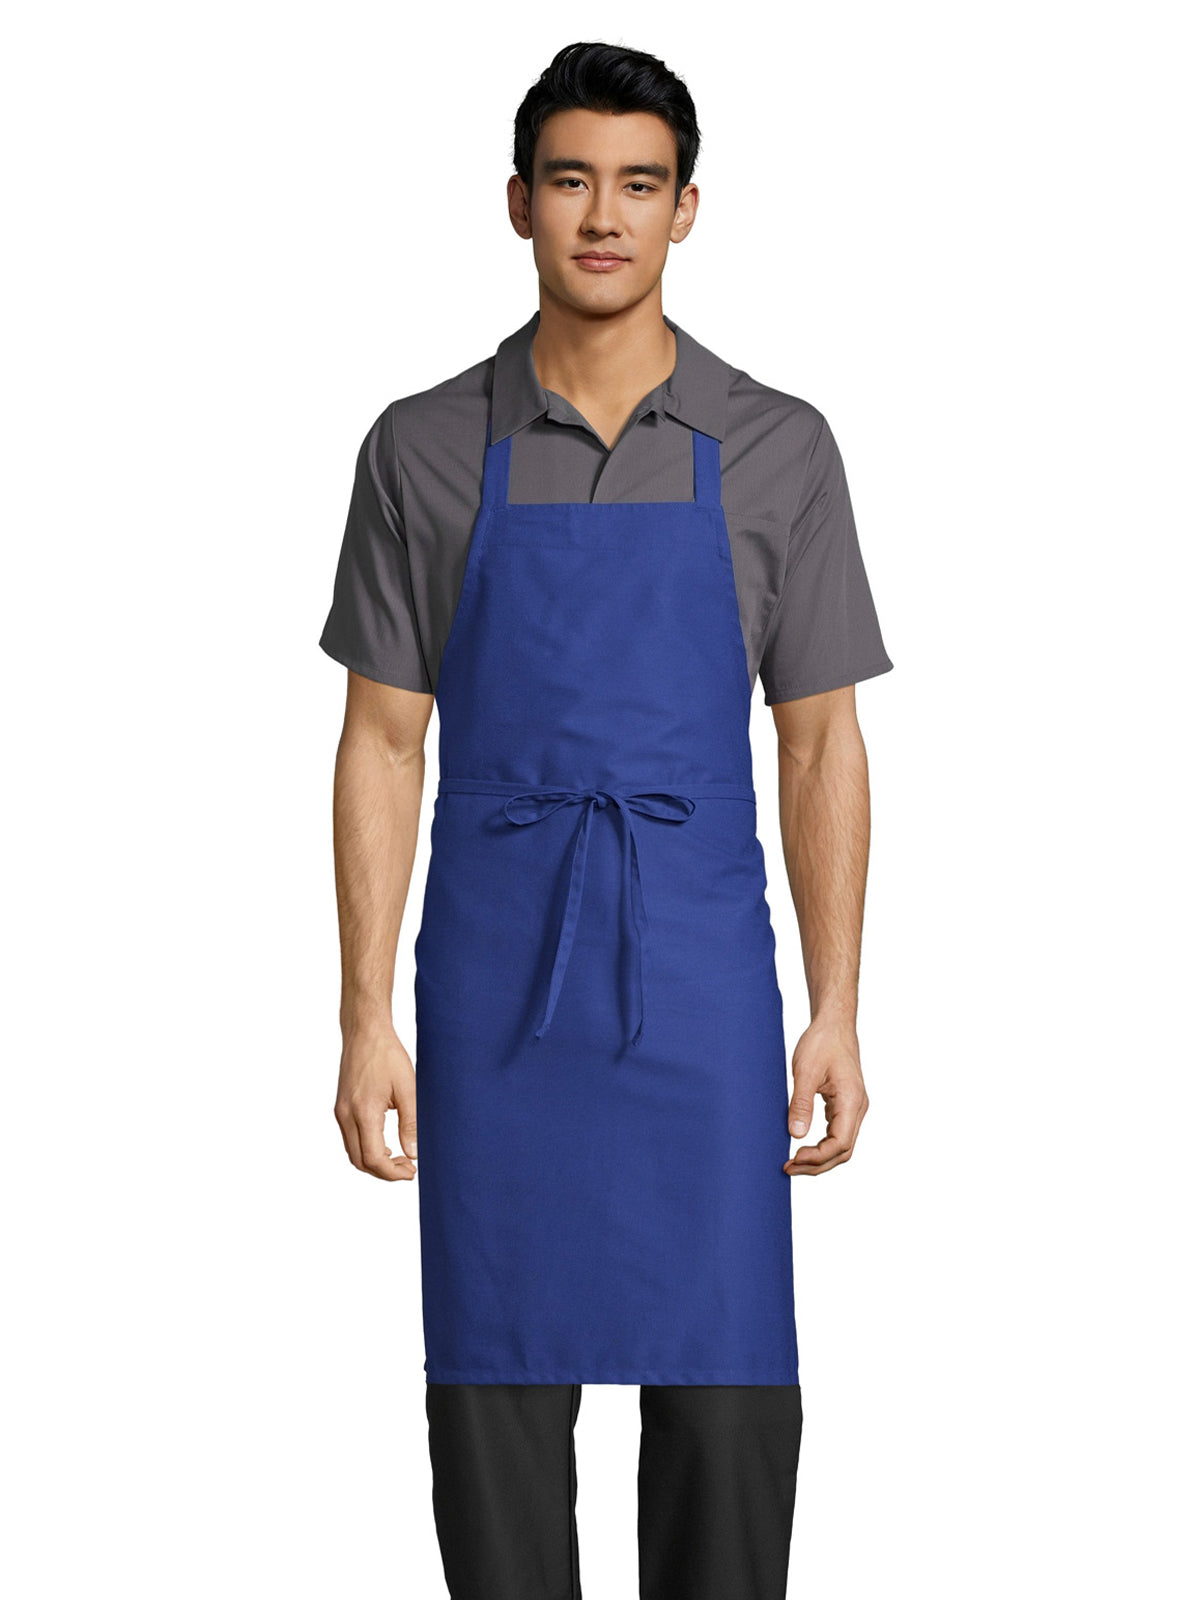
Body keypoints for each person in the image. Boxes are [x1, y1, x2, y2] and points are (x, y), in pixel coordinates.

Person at [318, 39, 892, 1600]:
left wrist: (836, 1008)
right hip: (497, 983)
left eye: (639, 185)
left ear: (686, 209)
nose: (603, 216)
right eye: (571, 180)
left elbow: (821, 741)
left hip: (699, 981)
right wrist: (364, 1018)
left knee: (726, 1401)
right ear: (518, 202)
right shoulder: (423, 445)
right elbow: (382, 741)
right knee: (495, 1398)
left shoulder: (778, 445)